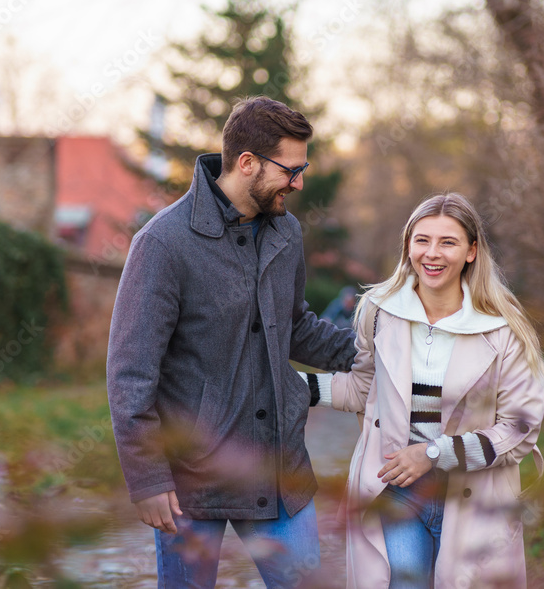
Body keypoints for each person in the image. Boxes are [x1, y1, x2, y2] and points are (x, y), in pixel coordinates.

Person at [107, 96, 357, 588]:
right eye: (292, 168)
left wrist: (375, 350)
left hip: (280, 470)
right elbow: (131, 372)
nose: (300, 182)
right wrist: (148, 479)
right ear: (247, 163)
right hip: (191, 482)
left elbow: (296, 327)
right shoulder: (163, 244)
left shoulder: (286, 232)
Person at [301, 192, 544, 588]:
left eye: (447, 242)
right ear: (408, 246)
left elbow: (519, 431)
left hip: (473, 496)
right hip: (396, 491)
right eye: (422, 240)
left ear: (471, 251)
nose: (432, 254)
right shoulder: (380, 311)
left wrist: (433, 453)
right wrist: (296, 387)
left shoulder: (504, 329)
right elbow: (364, 388)